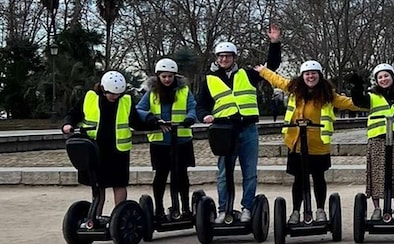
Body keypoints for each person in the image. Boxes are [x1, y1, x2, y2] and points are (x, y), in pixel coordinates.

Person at [195, 24, 281, 223]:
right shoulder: (209, 80)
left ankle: (247, 208)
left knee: (249, 172)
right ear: (217, 58)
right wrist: (205, 116)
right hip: (224, 131)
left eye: (228, 56)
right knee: (224, 173)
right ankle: (223, 210)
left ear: (234, 58)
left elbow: (272, 67)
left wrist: (274, 42)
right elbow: (201, 106)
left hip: (247, 129)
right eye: (220, 56)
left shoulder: (247, 75)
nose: (224, 59)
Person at [256, 59, 355, 223]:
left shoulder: (328, 95)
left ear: (319, 76)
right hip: (296, 144)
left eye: (313, 74)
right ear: (302, 76)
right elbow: (278, 81)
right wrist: (263, 71)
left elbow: (349, 103)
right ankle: (296, 211)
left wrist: (372, 103)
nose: (310, 77)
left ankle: (320, 210)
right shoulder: (294, 90)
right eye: (307, 74)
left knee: (318, 178)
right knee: (299, 179)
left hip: (318, 144)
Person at [61, 71, 147, 225]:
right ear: (102, 88)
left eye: (118, 94)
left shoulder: (125, 100)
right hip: (94, 150)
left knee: (119, 184)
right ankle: (94, 219)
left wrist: (155, 125)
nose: (115, 97)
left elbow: (136, 122)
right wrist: (68, 124)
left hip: (117, 151)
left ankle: (119, 219)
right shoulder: (89, 98)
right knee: (98, 186)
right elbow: (73, 114)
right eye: (112, 94)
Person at [349, 63, 394, 221]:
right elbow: (358, 101)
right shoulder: (372, 96)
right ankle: (377, 208)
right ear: (376, 80)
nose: (383, 79)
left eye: (386, 76)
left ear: (392, 77)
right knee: (376, 175)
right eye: (380, 77)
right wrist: (356, 87)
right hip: (377, 140)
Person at [136, 58, 197, 221]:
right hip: (160, 142)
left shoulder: (184, 91)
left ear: (175, 76)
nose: (167, 79)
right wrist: (151, 119)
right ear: (158, 77)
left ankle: (185, 208)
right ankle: (159, 209)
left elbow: (192, 107)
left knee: (181, 175)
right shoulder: (152, 92)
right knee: (161, 175)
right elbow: (139, 109)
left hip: (181, 140)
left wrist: (189, 118)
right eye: (164, 76)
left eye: (170, 76)